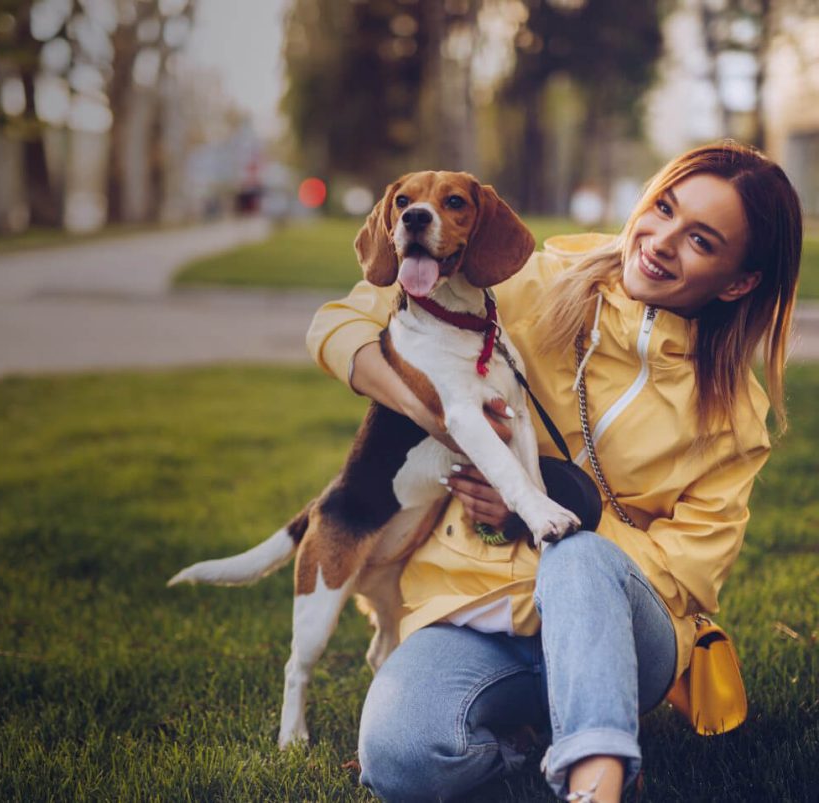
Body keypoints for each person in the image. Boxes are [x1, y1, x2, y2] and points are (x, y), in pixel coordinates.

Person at [305, 141, 802, 802]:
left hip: (627, 637)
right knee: (402, 756)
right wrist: (428, 409)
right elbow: (342, 320)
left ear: (738, 281)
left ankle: (597, 780)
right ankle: (554, 761)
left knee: (575, 555)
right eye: (663, 208)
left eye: (702, 241)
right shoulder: (533, 281)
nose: (660, 241)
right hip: (474, 609)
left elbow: (690, 573)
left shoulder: (736, 414)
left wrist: (568, 511)